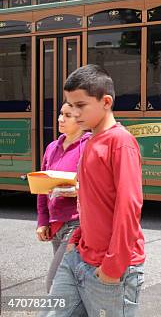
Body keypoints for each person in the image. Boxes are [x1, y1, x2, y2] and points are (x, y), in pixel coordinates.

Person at [42, 64, 145, 317]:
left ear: (106, 102)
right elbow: (90, 201)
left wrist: (112, 265)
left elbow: (128, 206)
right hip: (78, 257)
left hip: (111, 267)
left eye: (81, 105)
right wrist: (77, 238)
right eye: (70, 105)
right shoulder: (90, 142)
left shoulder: (120, 142)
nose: (74, 113)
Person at [36, 103, 90, 293]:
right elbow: (43, 187)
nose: (60, 119)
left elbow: (99, 186)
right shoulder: (52, 147)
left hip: (77, 224)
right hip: (55, 224)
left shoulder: (90, 146)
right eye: (60, 114)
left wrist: (78, 189)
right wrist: (42, 221)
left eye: (67, 115)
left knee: (54, 284)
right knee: (71, 285)